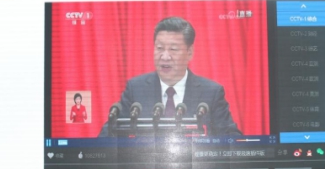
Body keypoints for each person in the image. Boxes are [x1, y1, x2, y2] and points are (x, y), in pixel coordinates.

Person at [100, 17, 241, 136]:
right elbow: (107, 137)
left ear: (190, 52)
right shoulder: (136, 89)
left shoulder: (211, 93)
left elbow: (232, 140)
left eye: (173, 49)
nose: (165, 56)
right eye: (159, 48)